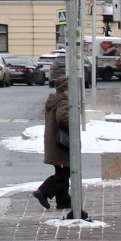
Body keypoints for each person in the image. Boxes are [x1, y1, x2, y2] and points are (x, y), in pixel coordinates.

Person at [32, 74, 72, 214]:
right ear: (65, 89)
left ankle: (64, 201)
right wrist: (74, 123)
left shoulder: (53, 99)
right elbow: (62, 118)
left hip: (53, 142)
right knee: (65, 173)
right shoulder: (63, 101)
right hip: (61, 142)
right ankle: (43, 191)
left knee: (61, 170)